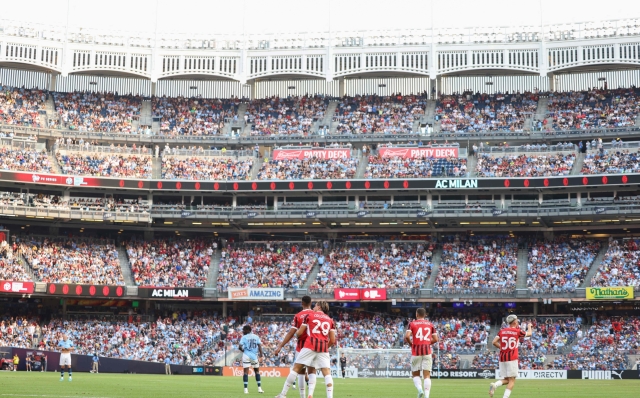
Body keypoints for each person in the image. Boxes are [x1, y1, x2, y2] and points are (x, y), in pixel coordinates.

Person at [276, 301, 336, 398]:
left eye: (316, 305)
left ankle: (283, 394)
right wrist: (324, 347)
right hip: (323, 349)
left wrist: (298, 336)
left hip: (310, 345)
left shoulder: (309, 316)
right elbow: (332, 340)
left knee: (296, 369)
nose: (314, 307)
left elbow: (299, 333)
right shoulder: (330, 320)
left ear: (319, 307)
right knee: (327, 373)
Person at [273, 295, 313, 398]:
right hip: (314, 346)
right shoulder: (315, 315)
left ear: (302, 303)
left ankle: (284, 394)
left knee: (298, 370)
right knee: (308, 371)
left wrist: (280, 346)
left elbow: (291, 333)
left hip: (302, 346)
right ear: (311, 303)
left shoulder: (298, 316)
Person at [489, 314, 533, 398]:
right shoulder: (517, 331)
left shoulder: (502, 331)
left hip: (502, 358)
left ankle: (495, 385)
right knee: (512, 381)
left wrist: (503, 348)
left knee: (507, 379)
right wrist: (529, 326)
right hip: (512, 358)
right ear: (515, 321)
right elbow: (530, 334)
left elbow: (494, 342)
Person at [405, 308, 438, 398]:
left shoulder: (412, 324)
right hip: (427, 351)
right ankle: (427, 396)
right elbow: (435, 339)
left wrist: (412, 344)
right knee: (427, 375)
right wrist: (427, 343)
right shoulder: (430, 324)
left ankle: (420, 390)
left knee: (415, 374)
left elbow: (407, 336)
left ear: (417, 314)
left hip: (416, 352)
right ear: (425, 315)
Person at [239, 324, 265, 394]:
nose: (243, 331)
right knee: (257, 372)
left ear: (248, 330)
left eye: (244, 330)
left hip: (246, 355)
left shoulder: (244, 337)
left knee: (245, 372)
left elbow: (240, 346)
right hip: (254, 356)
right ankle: (259, 388)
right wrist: (261, 355)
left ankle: (245, 389)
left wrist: (243, 351)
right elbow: (259, 345)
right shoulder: (256, 337)